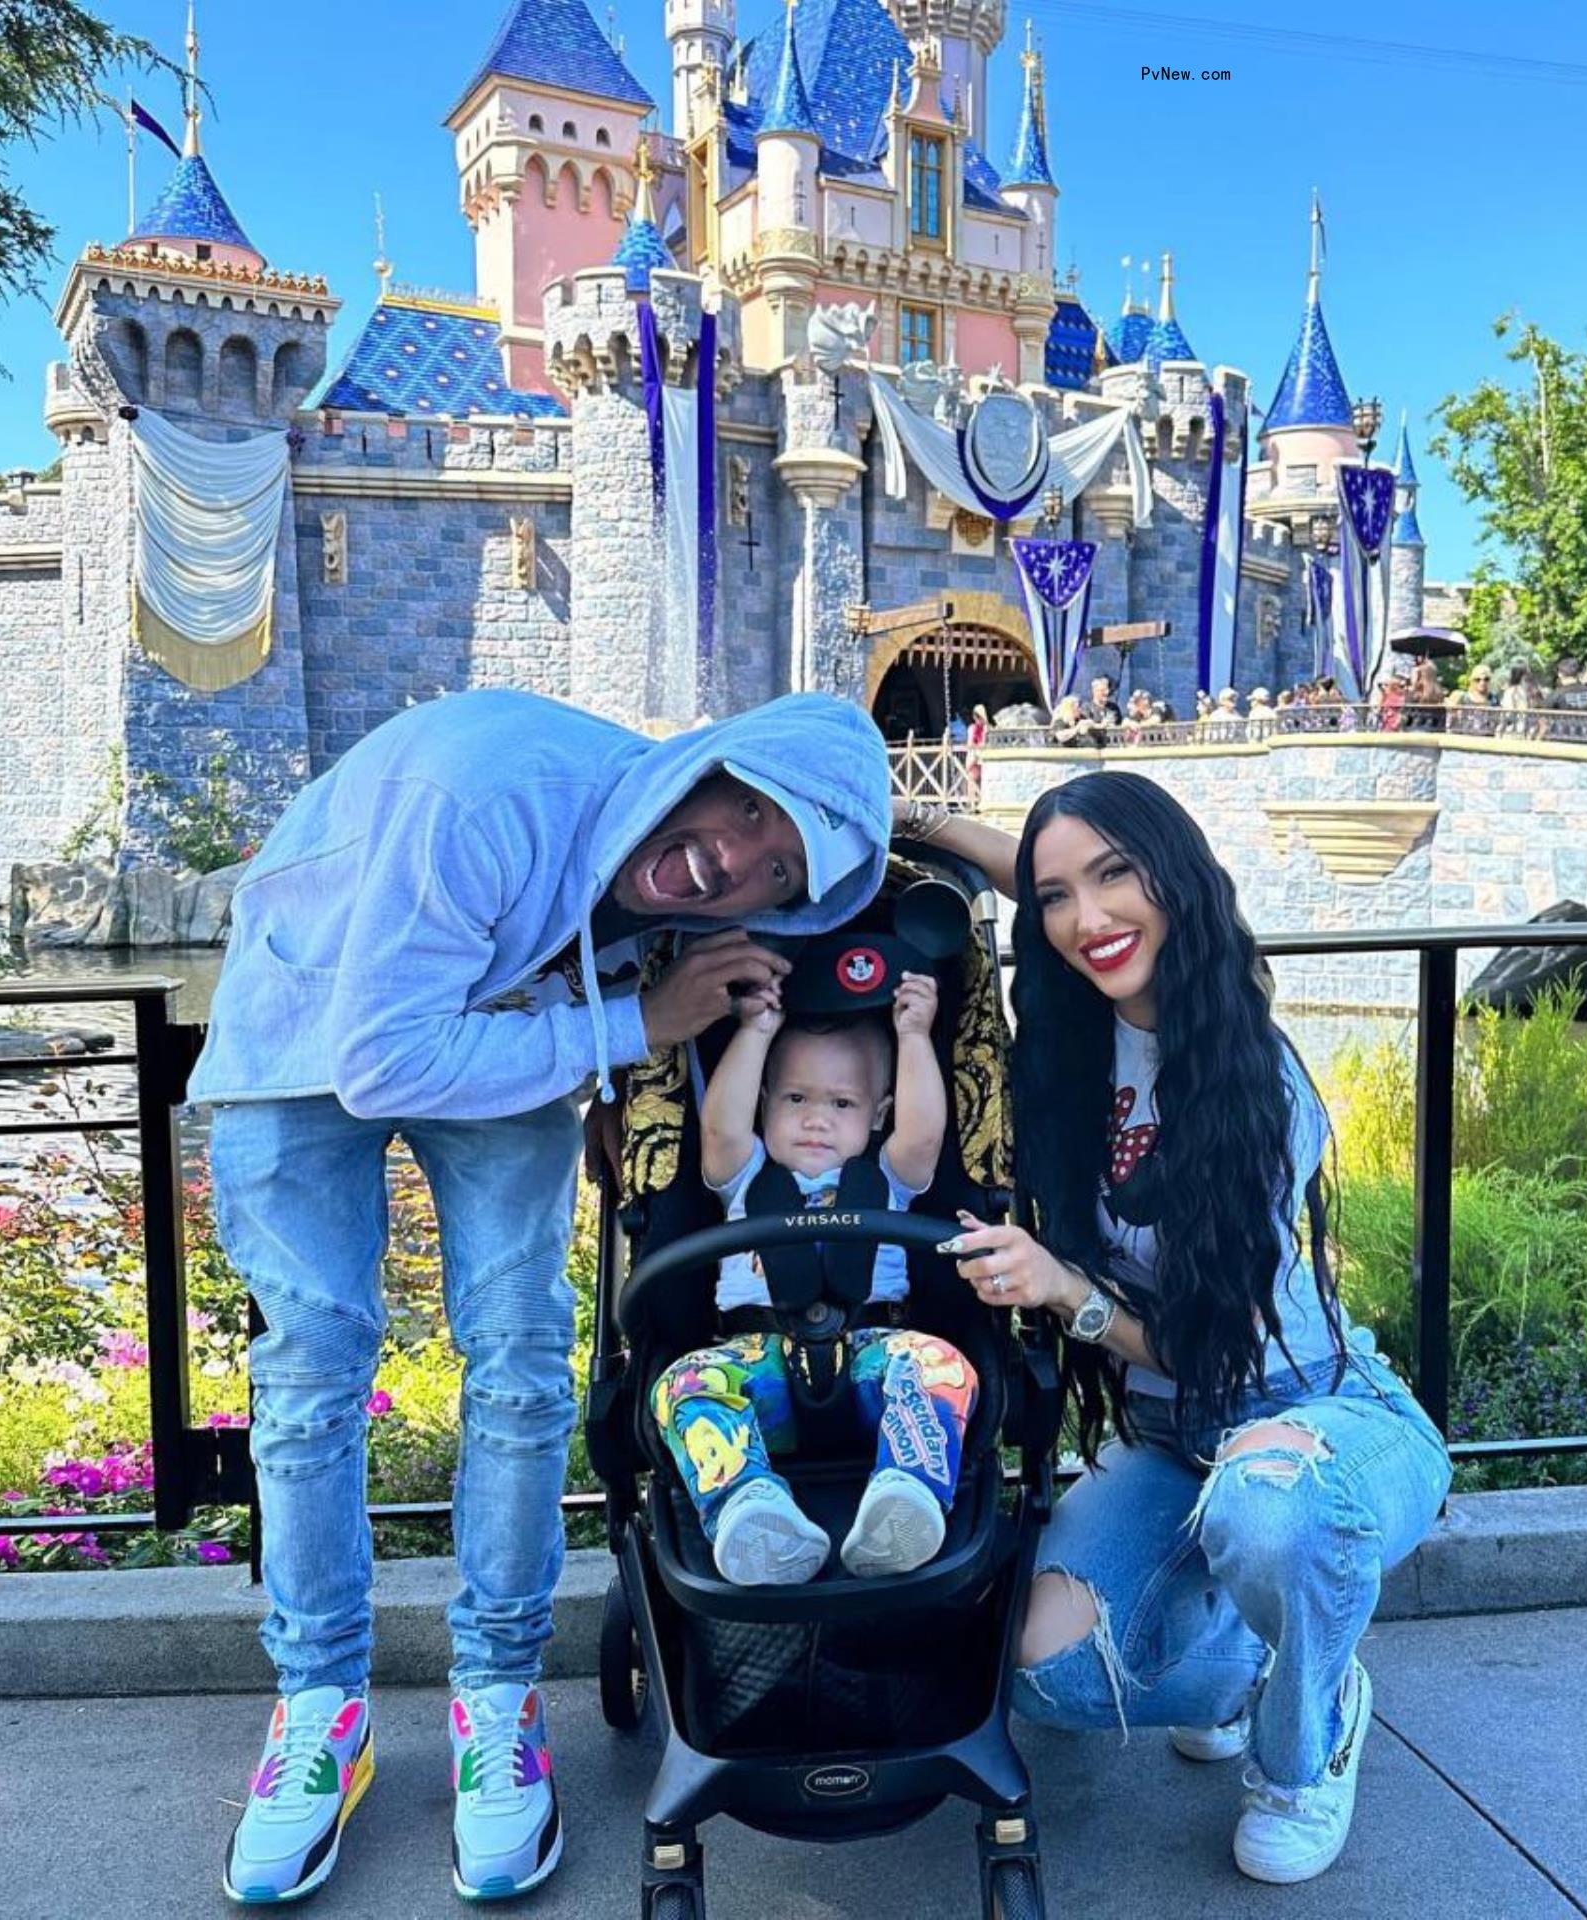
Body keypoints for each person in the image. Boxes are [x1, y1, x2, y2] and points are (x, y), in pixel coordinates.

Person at [193, 688, 892, 1905]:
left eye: (775, 875)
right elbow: (380, 1059)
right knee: (311, 1376)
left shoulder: (677, 880)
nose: (731, 865)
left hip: (510, 1018)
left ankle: (499, 1698)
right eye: (747, 814)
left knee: (519, 1364)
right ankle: (320, 1709)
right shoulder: (488, 799)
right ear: (705, 763)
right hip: (307, 1019)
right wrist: (629, 1025)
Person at [901, 777, 1449, 1890]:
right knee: (1045, 1676)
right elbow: (1059, 889)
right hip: (1168, 1440)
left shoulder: (1251, 1071)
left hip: (1318, 1413)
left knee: (1270, 1515)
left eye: (1116, 876)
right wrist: (908, 825)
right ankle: (1265, 1657)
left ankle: (1308, 1739)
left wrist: (1068, 1292)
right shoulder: (1075, 1048)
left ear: (1178, 881)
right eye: (1057, 897)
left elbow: (1215, 1351)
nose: (1087, 918)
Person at [649, 972, 975, 1586]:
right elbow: (721, 1127)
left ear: (878, 1113)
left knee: (940, 1365)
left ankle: (905, 1494)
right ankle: (748, 1505)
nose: (816, 1120)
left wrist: (913, 1036)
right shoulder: (746, 1176)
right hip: (758, 1361)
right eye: (795, 1099)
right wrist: (755, 1030)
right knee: (684, 1383)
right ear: (765, 1100)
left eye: (842, 1103)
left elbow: (925, 1131)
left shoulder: (886, 1177)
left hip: (872, 1360)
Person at [965, 703, 989, 797]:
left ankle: (980, 800)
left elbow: (984, 742)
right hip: (973, 756)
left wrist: (978, 745)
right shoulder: (972, 728)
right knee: (971, 778)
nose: (977, 719)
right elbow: (970, 744)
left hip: (982, 757)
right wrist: (977, 746)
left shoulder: (986, 728)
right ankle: (971, 803)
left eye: (979, 717)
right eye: (976, 716)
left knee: (983, 780)